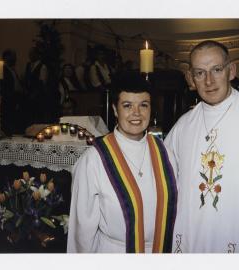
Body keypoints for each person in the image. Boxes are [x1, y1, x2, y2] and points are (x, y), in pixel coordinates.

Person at [165, 40, 239, 253]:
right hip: (193, 235)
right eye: (200, 73)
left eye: (216, 70)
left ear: (231, 71)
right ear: (190, 79)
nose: (209, 81)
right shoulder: (183, 126)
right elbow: (163, 180)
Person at [67, 72, 178, 253]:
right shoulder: (94, 159)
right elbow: (82, 229)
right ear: (115, 110)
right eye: (127, 106)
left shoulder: (165, 153)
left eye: (144, 105)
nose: (136, 113)